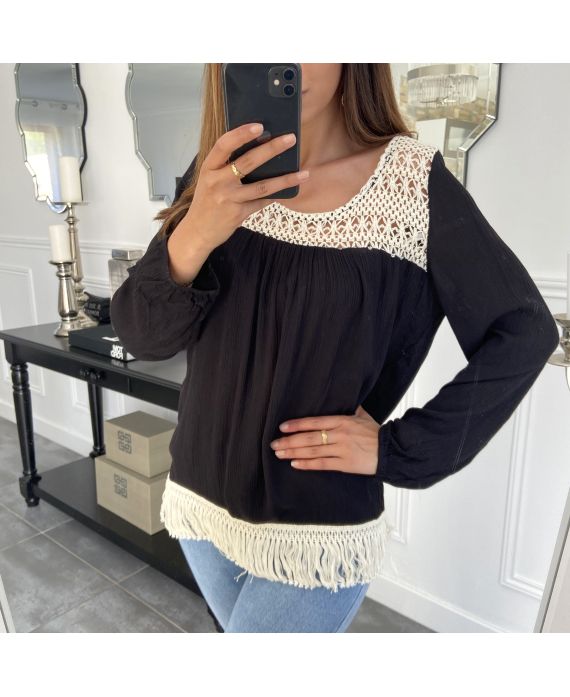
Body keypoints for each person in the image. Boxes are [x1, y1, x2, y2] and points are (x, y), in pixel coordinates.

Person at [110, 64, 559, 633]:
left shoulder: (409, 184)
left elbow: (524, 331)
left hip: (317, 528)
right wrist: (197, 229)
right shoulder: (217, 173)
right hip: (199, 501)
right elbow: (144, 338)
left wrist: (399, 450)